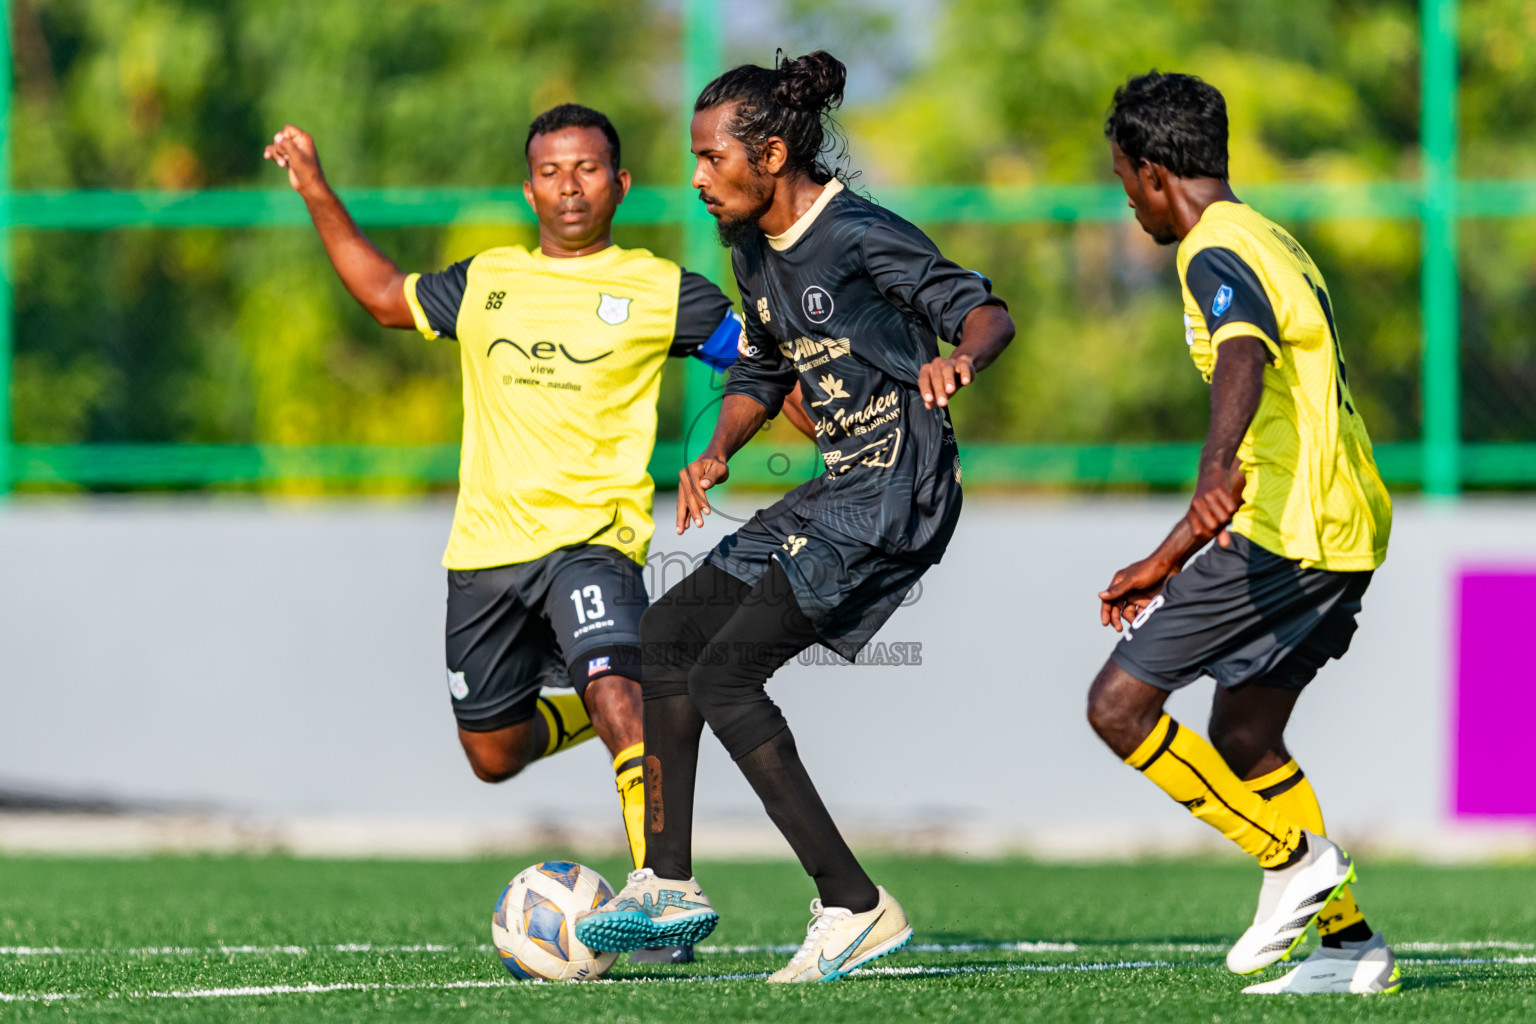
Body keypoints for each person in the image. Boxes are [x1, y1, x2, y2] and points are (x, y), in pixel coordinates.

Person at [264, 103, 809, 964]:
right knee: (493, 753)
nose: (570, 186)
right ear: (529, 189)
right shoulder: (488, 282)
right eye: (551, 172)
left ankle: (662, 899)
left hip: (591, 544)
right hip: (483, 557)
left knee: (623, 690)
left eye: (588, 169)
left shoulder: (663, 290)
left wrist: (853, 436)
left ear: (620, 184)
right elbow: (380, 298)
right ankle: (601, 708)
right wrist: (316, 188)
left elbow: (766, 365)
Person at [574, 51, 1015, 983]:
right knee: (668, 632)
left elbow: (982, 310)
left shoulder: (856, 234)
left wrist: (957, 359)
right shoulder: (747, 245)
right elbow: (767, 369)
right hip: (840, 485)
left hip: (900, 490)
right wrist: (719, 447)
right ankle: (667, 885)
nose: (696, 178)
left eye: (711, 158)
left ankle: (854, 905)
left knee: (729, 675)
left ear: (770, 154)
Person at [1087, 71, 1398, 996]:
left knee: (1118, 708)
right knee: (1248, 735)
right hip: (1340, 520)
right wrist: (1177, 551)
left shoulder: (1211, 249)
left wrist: (1212, 472)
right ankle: (1349, 948)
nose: (1128, 203)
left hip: (1289, 527)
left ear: (1150, 173)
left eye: (1121, 181)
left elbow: (1242, 353)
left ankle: (1293, 860)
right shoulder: (1269, 233)